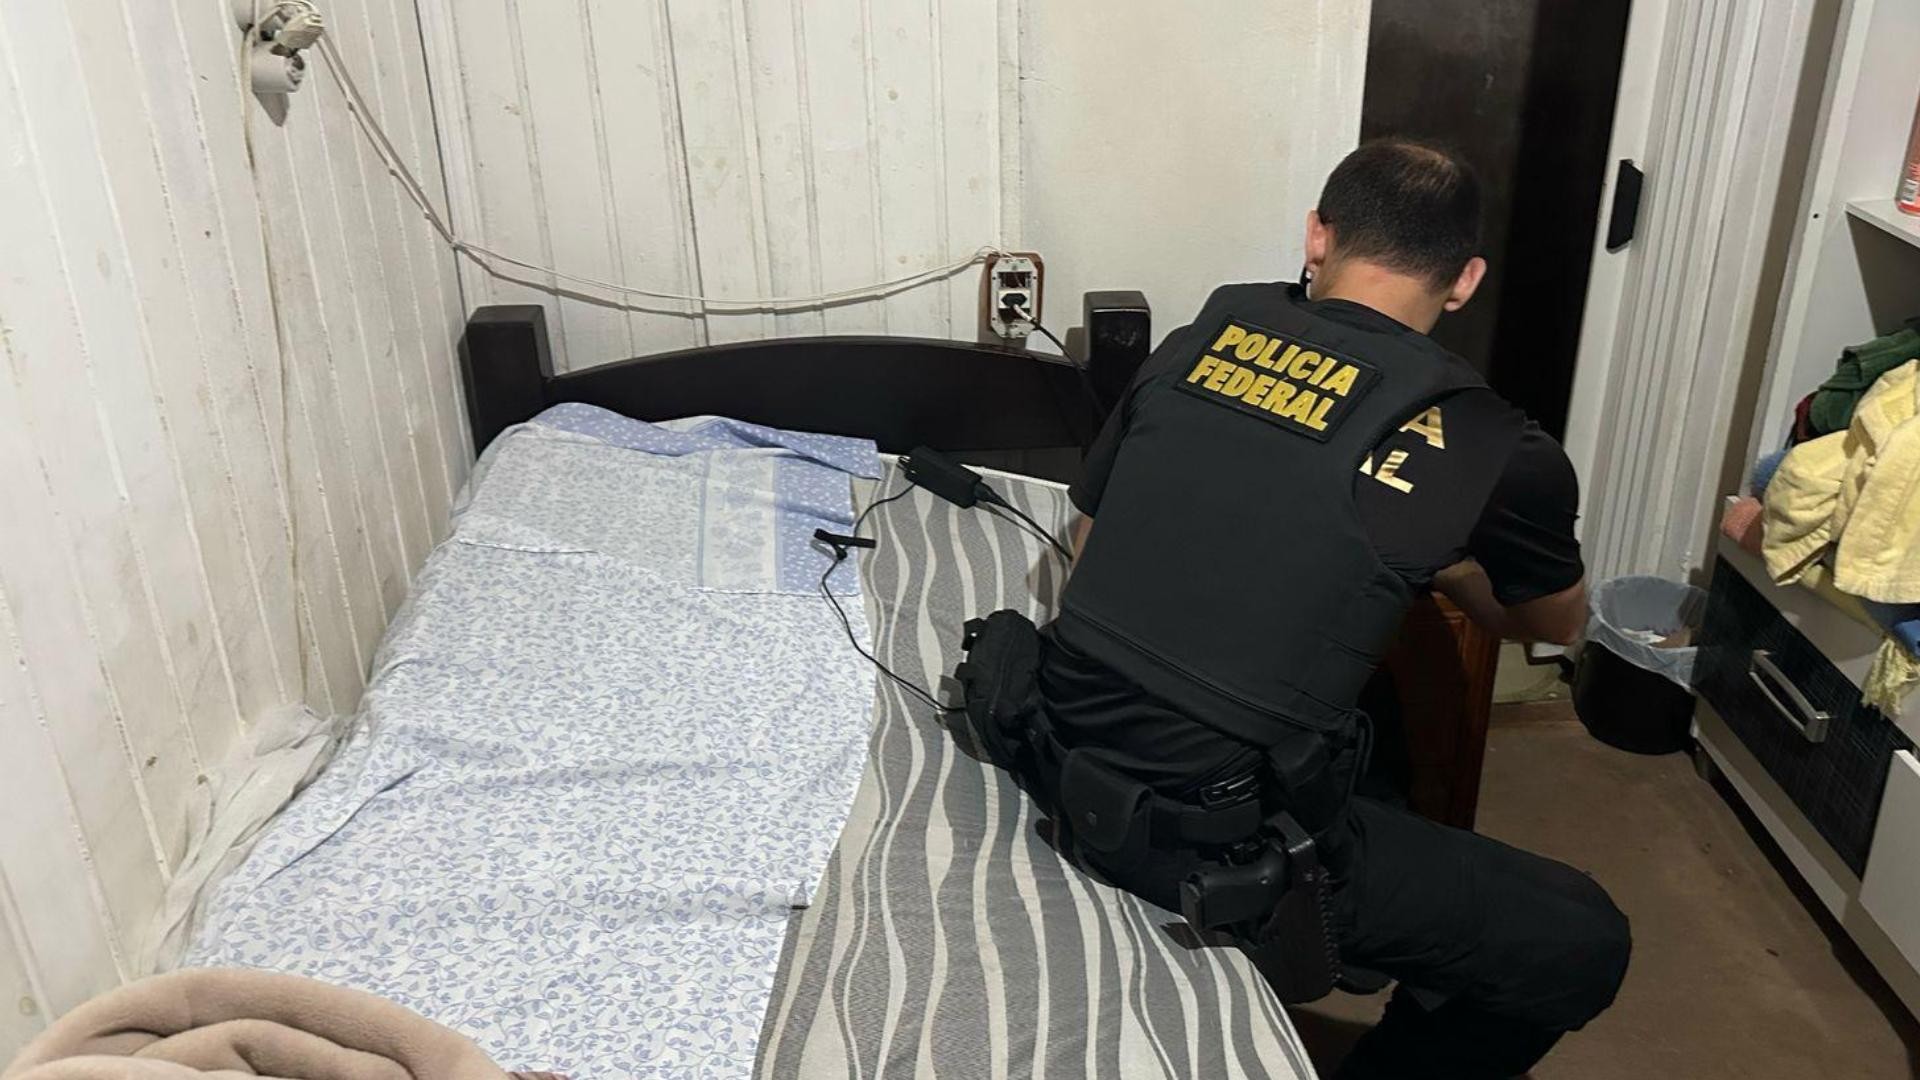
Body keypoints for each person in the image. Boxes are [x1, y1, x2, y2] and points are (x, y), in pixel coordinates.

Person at [1015, 139, 1629, 1078]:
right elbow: (1556, 624)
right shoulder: (1495, 446)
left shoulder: (1204, 336)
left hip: (1061, 746)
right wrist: (1451, 568)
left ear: (1317, 235)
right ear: (1465, 280)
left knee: (1373, 734)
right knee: (1582, 939)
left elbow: (1091, 545)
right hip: (1208, 834)